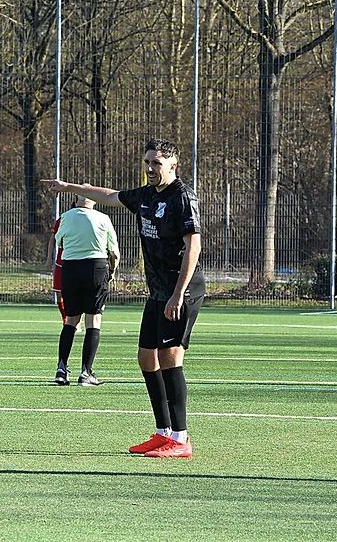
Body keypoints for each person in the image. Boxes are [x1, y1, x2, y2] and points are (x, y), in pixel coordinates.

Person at [43, 138, 203, 458]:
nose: (150, 168)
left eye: (157, 163)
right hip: (158, 291)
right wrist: (67, 187)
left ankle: (181, 438)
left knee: (170, 357)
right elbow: (108, 195)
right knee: (146, 357)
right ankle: (163, 432)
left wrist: (178, 294)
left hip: (181, 290)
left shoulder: (182, 196)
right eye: (147, 162)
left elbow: (193, 246)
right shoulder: (146, 195)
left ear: (173, 165)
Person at [52, 190, 120, 386]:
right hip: (96, 268)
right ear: (95, 201)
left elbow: (60, 242)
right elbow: (114, 252)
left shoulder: (65, 217)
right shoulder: (103, 218)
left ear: (75, 199)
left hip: (70, 269)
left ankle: (61, 369)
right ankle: (86, 372)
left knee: (71, 319)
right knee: (94, 320)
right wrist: (111, 272)